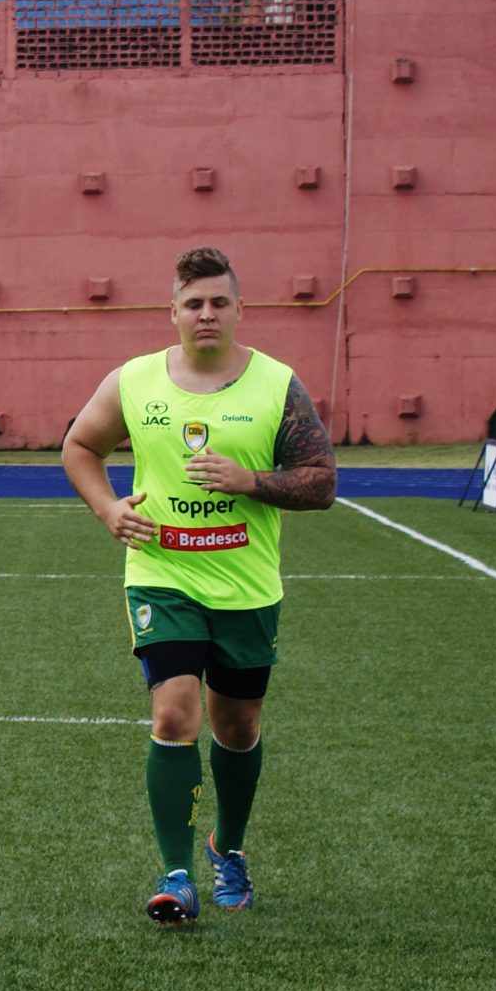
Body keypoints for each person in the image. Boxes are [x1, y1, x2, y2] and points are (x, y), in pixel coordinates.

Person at [61, 246, 337, 924]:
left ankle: (229, 847)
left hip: (246, 586)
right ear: (174, 313)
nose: (206, 314)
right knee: (173, 715)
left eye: (218, 302)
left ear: (241, 310)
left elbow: (322, 482)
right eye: (193, 303)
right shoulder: (135, 382)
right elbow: (79, 446)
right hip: (163, 577)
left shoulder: (277, 386)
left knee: (236, 727)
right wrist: (108, 509)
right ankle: (176, 873)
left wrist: (252, 481)